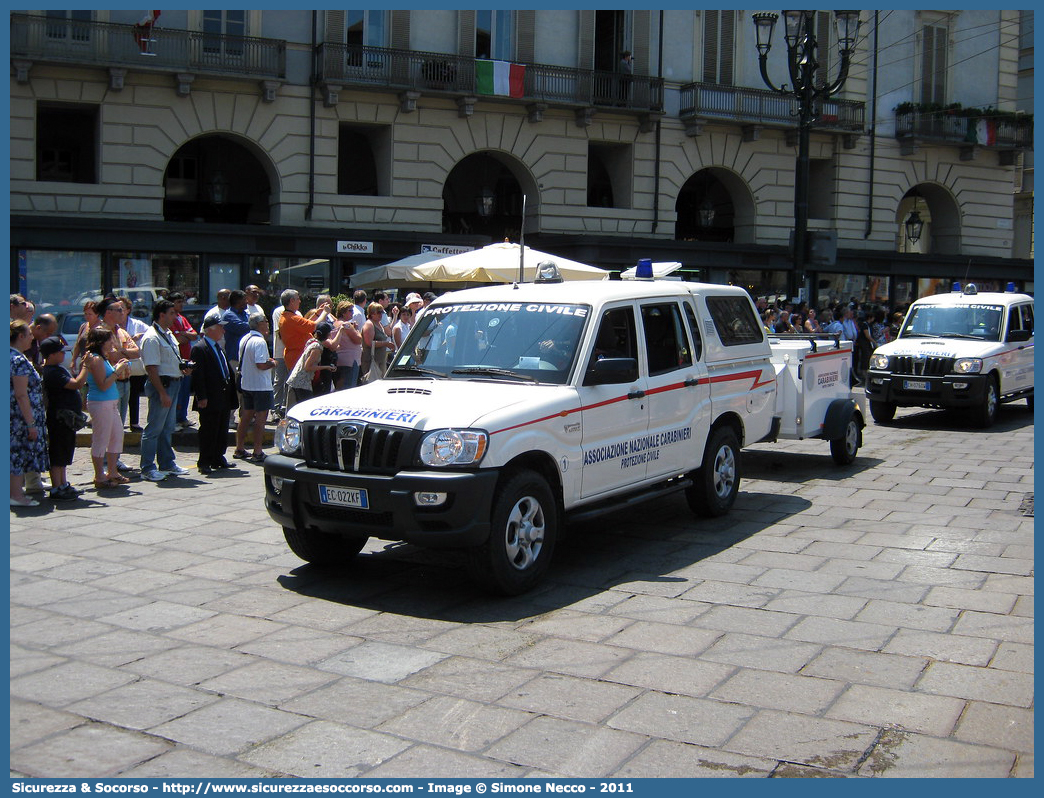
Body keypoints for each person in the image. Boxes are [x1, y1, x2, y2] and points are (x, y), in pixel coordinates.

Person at [139, 299, 194, 482]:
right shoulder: (152, 337)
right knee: (154, 428)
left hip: (175, 382)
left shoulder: (168, 333)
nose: (175, 316)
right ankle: (147, 467)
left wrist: (182, 368)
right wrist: (162, 393)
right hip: (163, 385)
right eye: (171, 313)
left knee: (167, 427)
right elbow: (152, 368)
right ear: (161, 315)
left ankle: (167, 463)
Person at [83, 326, 132, 489]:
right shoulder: (96, 359)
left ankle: (112, 472)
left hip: (110, 403)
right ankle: (99, 476)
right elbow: (103, 385)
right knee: (101, 438)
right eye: (109, 339)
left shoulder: (102, 358)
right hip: (100, 403)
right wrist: (118, 371)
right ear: (101, 342)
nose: (112, 342)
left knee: (117, 435)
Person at [40, 335, 88, 501]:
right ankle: (56, 487)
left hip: (66, 418)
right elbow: (76, 384)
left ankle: (63, 483)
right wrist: (85, 367)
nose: (63, 355)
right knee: (58, 453)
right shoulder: (51, 371)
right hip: (59, 418)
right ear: (51, 354)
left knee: (65, 451)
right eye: (60, 352)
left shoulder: (57, 368)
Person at [190, 316, 237, 474]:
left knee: (221, 428)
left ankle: (218, 457)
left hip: (223, 395)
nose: (223, 331)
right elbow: (199, 375)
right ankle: (205, 460)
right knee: (209, 429)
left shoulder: (218, 347)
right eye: (220, 327)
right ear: (210, 329)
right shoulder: (200, 348)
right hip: (210, 396)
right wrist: (201, 396)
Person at [10, 320, 49, 507]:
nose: (32, 338)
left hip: (15, 415)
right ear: (20, 336)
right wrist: (31, 423)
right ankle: (16, 495)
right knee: (17, 453)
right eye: (29, 334)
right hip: (19, 417)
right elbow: (21, 394)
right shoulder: (17, 360)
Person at [234, 314, 276, 462]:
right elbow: (261, 364)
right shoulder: (259, 341)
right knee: (260, 419)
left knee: (245, 416)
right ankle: (257, 451)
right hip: (260, 386)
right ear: (259, 324)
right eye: (265, 321)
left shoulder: (245, 339)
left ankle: (239, 447)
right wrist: (272, 363)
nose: (268, 324)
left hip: (247, 384)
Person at [279, 289, 331, 376]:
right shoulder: (292, 318)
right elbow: (315, 326)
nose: (299, 301)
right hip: (298, 359)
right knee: (301, 388)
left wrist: (317, 313)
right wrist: (325, 313)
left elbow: (305, 326)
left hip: (295, 358)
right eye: (297, 299)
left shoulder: (287, 316)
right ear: (292, 301)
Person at [285, 321, 336, 409]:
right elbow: (308, 367)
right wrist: (327, 367)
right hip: (302, 382)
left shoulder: (311, 341)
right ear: (327, 335)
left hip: (296, 380)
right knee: (306, 408)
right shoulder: (317, 348)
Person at [167, 292, 200, 431]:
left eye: (182, 301)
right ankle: (173, 420)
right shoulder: (170, 319)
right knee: (176, 392)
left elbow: (194, 335)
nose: (181, 304)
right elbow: (177, 340)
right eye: (178, 301)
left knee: (185, 391)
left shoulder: (182, 318)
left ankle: (182, 417)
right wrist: (184, 336)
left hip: (187, 360)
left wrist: (184, 334)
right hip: (176, 361)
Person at [120, 296, 150, 432]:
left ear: (128, 310)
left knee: (134, 394)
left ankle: (134, 422)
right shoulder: (112, 325)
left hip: (134, 365)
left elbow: (150, 332)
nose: (119, 311)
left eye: (122, 308)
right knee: (118, 394)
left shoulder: (136, 324)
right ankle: (119, 422)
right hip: (118, 365)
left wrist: (140, 335)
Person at [360, 302, 395, 383]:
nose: (381, 314)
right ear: (372, 313)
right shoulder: (369, 324)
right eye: (378, 312)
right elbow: (369, 343)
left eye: (382, 312)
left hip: (380, 361)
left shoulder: (379, 323)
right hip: (371, 362)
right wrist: (386, 344)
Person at [332, 300, 363, 390]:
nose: (352, 313)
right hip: (351, 361)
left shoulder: (334, 324)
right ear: (343, 312)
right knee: (349, 388)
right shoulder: (347, 325)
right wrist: (356, 329)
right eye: (350, 310)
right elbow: (358, 340)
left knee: (340, 388)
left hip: (340, 360)